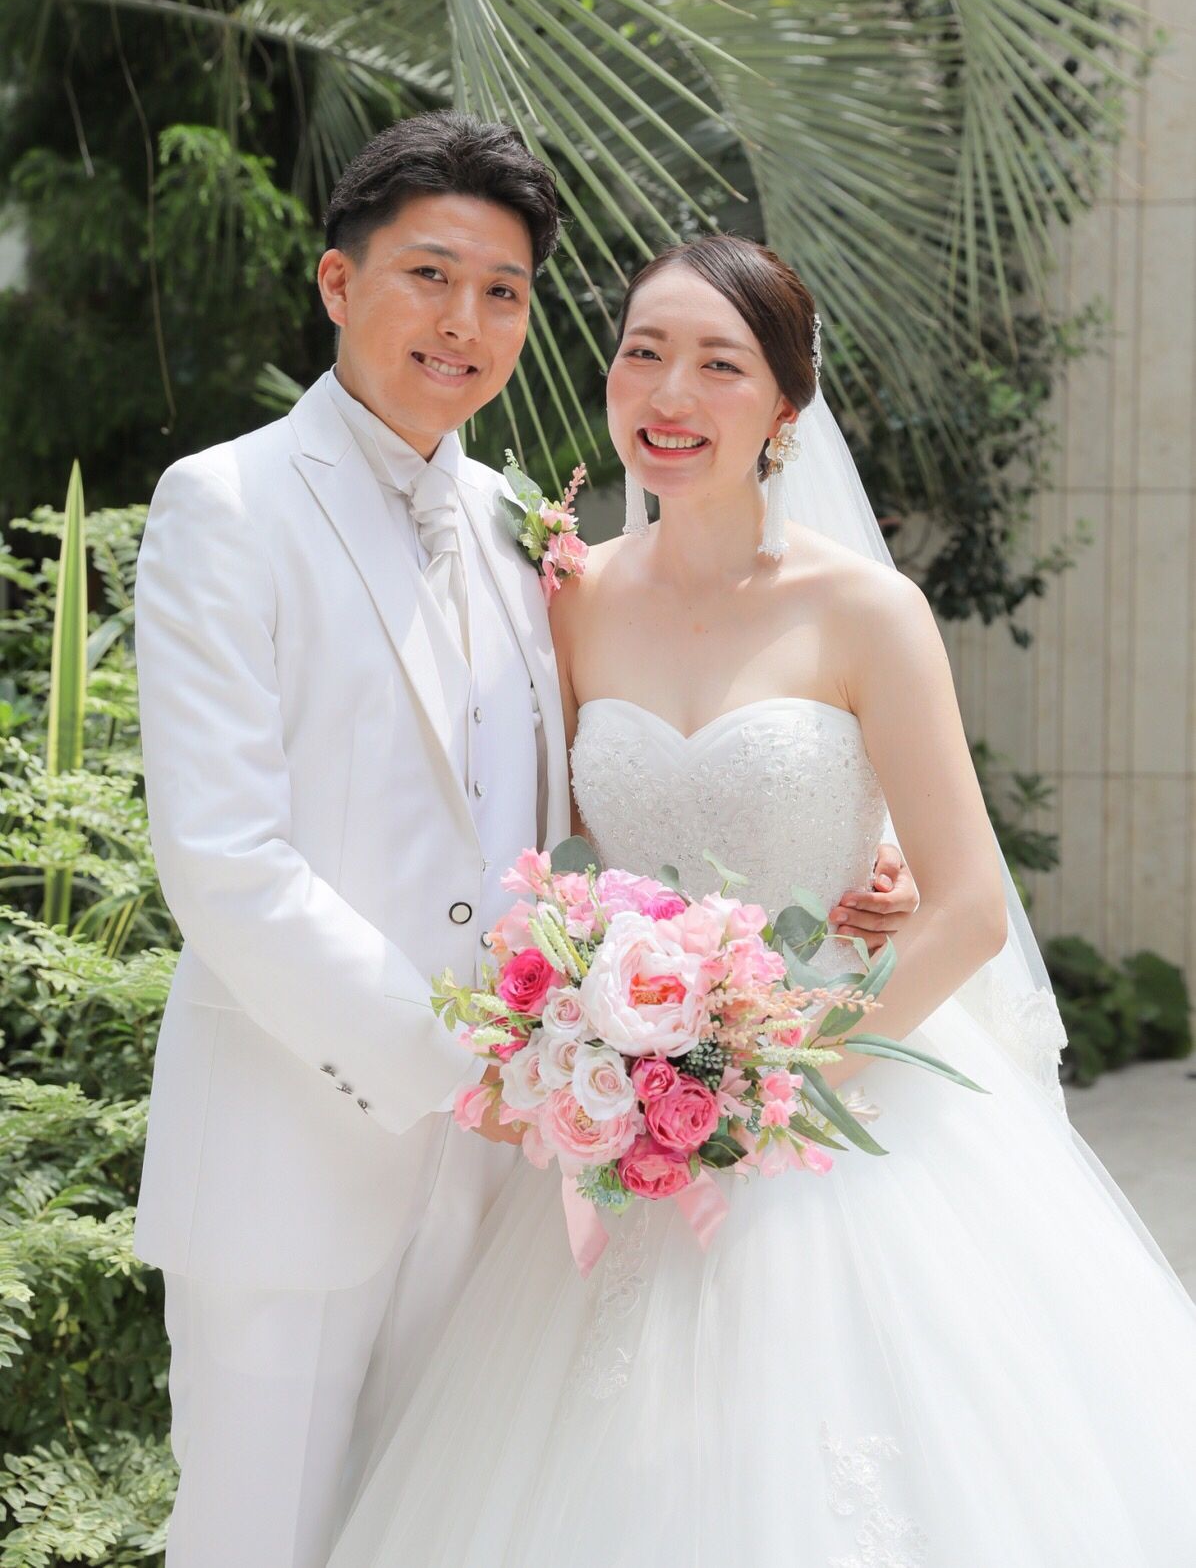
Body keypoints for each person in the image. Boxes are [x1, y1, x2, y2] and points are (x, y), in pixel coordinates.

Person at [328, 235, 1196, 1568]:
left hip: (845, 1107)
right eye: (643, 353)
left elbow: (967, 906)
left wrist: (772, 1070)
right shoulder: (566, 601)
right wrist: (583, 1033)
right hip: (632, 1118)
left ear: (787, 407)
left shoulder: (867, 612)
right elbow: (543, 852)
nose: (670, 394)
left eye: (719, 365)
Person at [133, 121, 917, 1568]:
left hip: (506, 1196)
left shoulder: (515, 523)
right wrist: (464, 1069)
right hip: (299, 1158)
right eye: (429, 275)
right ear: (336, 282)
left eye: (503, 292)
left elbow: (575, 818)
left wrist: (841, 854)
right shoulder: (224, 507)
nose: (465, 320)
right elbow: (228, 865)